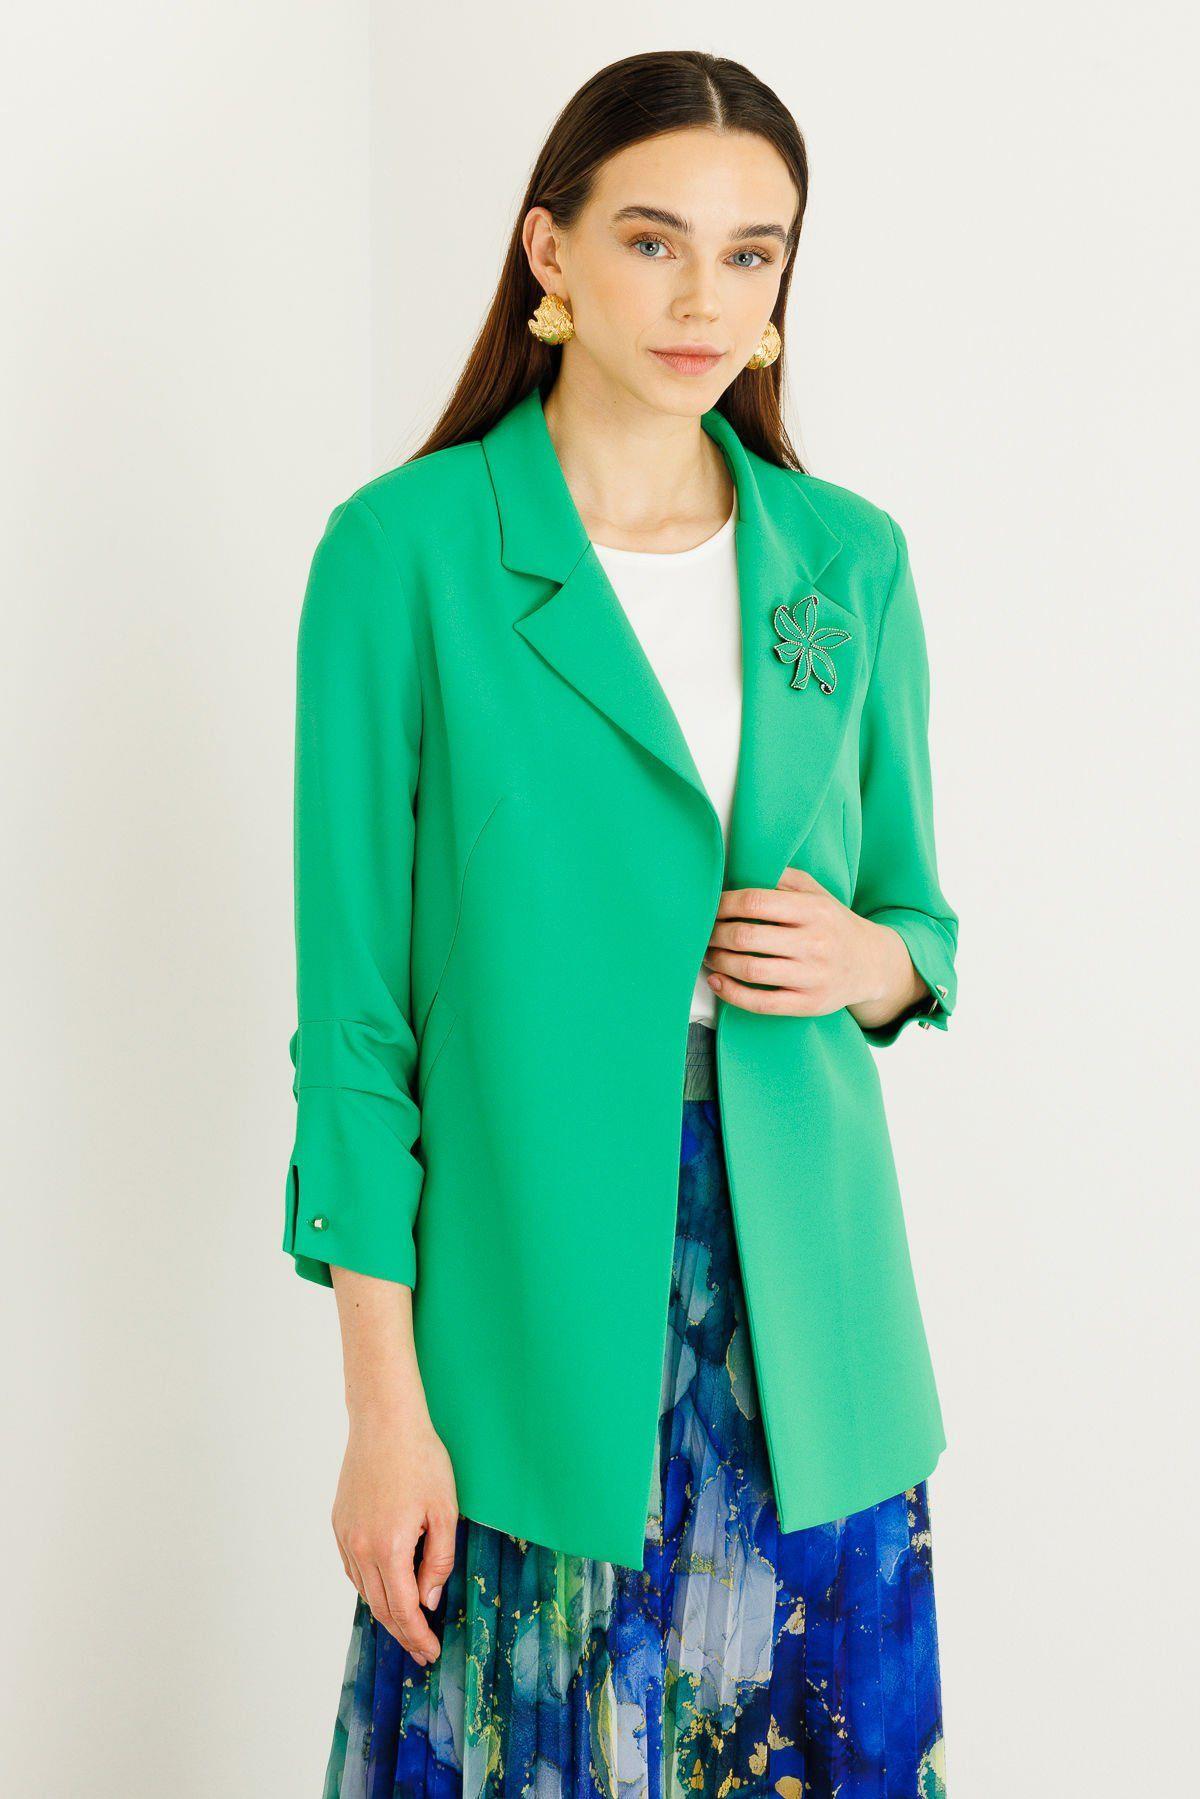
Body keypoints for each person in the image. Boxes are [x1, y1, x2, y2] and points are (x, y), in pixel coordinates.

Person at [284, 48, 957, 1799]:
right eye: (654, 241)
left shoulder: (848, 558)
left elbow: (917, 919)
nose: (704, 299)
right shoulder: (404, 553)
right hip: (523, 1303)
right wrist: (381, 1407)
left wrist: (872, 962)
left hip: (812, 1314)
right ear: (551, 252)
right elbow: (354, 1026)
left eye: (752, 253)